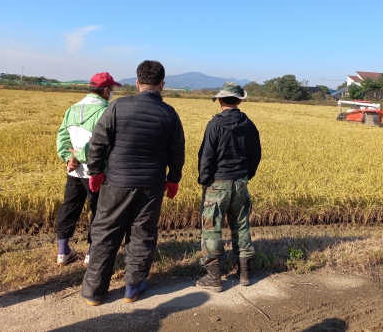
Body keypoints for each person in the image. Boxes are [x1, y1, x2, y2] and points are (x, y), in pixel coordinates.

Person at [81, 60, 185, 306]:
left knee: (105, 233)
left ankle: (93, 293)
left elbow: (98, 143)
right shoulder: (170, 113)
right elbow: (177, 152)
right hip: (151, 186)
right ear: (162, 85)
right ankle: (133, 287)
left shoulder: (117, 106)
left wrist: (95, 172)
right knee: (142, 233)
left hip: (116, 183)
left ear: (137, 83)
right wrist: (173, 180)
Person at [195, 82, 261, 292]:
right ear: (240, 100)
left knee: (211, 228)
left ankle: (213, 277)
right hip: (240, 182)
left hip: (217, 183)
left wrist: (205, 180)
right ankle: (245, 274)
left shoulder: (214, 124)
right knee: (241, 226)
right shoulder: (249, 125)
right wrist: (246, 175)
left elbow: (206, 156)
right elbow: (256, 155)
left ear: (220, 100)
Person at [55, 72, 121, 267]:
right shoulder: (106, 111)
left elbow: (62, 137)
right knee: (99, 211)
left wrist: (69, 157)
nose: (112, 93)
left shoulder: (72, 109)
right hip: (97, 171)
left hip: (74, 171)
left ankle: (63, 251)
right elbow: (101, 143)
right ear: (106, 90)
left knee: (69, 207)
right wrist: (82, 156)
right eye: (112, 90)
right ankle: (92, 254)